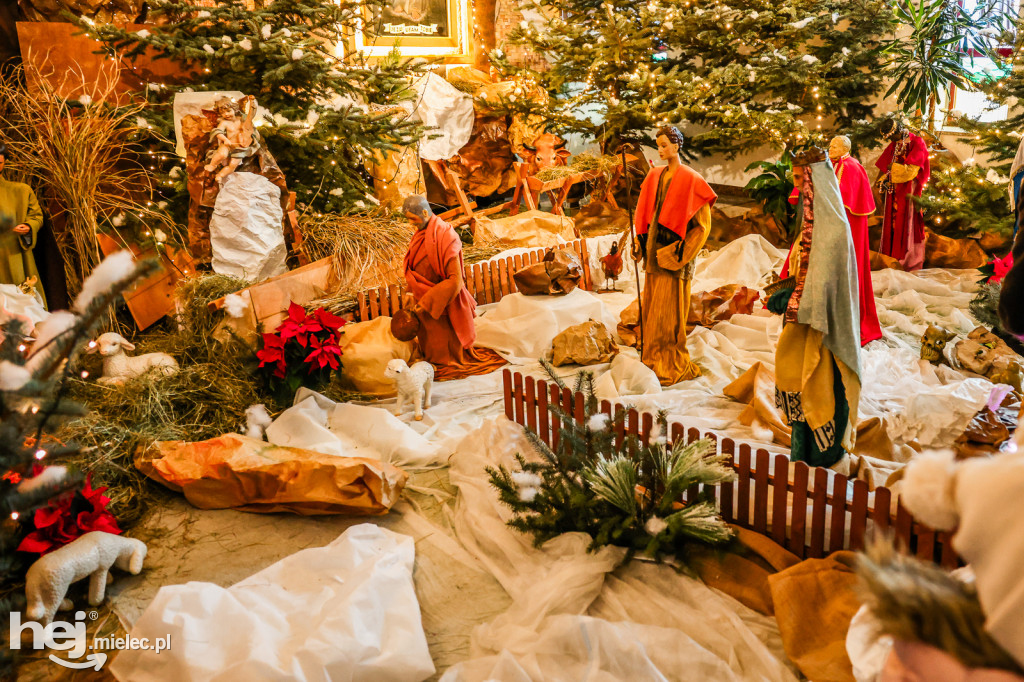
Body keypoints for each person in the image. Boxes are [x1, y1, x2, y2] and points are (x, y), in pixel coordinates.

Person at [768, 148, 861, 468]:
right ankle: (801, 458)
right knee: (799, 393)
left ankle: (825, 462)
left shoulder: (832, 228)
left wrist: (792, 297)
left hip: (824, 331)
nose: (795, 189)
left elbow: (826, 285)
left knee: (822, 390)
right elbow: (804, 272)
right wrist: (791, 291)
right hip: (803, 324)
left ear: (814, 181)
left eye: (799, 180)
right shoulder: (812, 222)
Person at [631, 125, 717, 385]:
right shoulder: (654, 176)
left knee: (670, 310)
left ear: (677, 145)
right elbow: (646, 212)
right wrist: (640, 240)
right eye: (658, 145)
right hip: (653, 251)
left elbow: (702, 226)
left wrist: (681, 255)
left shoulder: (691, 179)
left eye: (665, 145)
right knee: (653, 305)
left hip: (673, 256)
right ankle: (652, 352)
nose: (660, 150)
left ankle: (668, 355)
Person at [402, 195, 505, 379]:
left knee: (446, 348)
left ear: (425, 213)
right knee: (430, 343)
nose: (411, 224)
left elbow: (455, 280)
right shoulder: (419, 233)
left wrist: (428, 301)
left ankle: (448, 359)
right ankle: (433, 358)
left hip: (441, 303)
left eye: (413, 219)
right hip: (424, 303)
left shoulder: (446, 236)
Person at [829, 135, 881, 346]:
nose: (830, 148)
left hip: (848, 226)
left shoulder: (851, 167)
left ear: (844, 148)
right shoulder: (833, 164)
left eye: (834, 145)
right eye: (830, 145)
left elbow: (846, 198)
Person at [875, 119, 930, 271]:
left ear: (898, 131)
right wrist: (883, 179)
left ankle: (908, 260)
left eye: (892, 137)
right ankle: (892, 256)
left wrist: (893, 169)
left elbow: (912, 171)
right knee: (892, 222)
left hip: (908, 189)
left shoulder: (917, 142)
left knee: (908, 221)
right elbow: (886, 166)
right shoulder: (896, 143)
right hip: (895, 189)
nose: (890, 141)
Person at [0, 143, 45, 306]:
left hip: (14, 255)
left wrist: (28, 226)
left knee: (20, 302)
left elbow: (37, 216)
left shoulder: (21, 191)